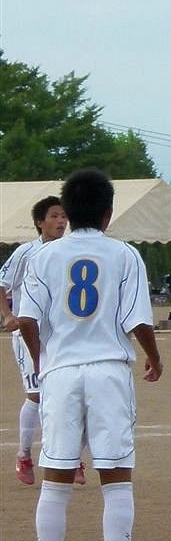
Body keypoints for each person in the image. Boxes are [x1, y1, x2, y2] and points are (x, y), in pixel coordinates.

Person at [16, 168, 163, 541]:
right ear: (107, 213)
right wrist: (154, 358)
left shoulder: (43, 257)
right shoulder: (124, 255)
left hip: (61, 373)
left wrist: (43, 361)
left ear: (67, 211)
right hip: (108, 371)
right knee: (116, 480)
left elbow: (26, 321)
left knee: (56, 482)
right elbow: (139, 320)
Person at [0, 197, 81, 486]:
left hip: (60, 334)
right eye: (55, 216)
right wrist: (8, 315)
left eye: (64, 216)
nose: (61, 221)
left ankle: (70, 457)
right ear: (40, 222)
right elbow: (2, 284)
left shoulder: (70, 251)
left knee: (67, 392)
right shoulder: (26, 252)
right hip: (27, 332)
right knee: (37, 394)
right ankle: (24, 454)